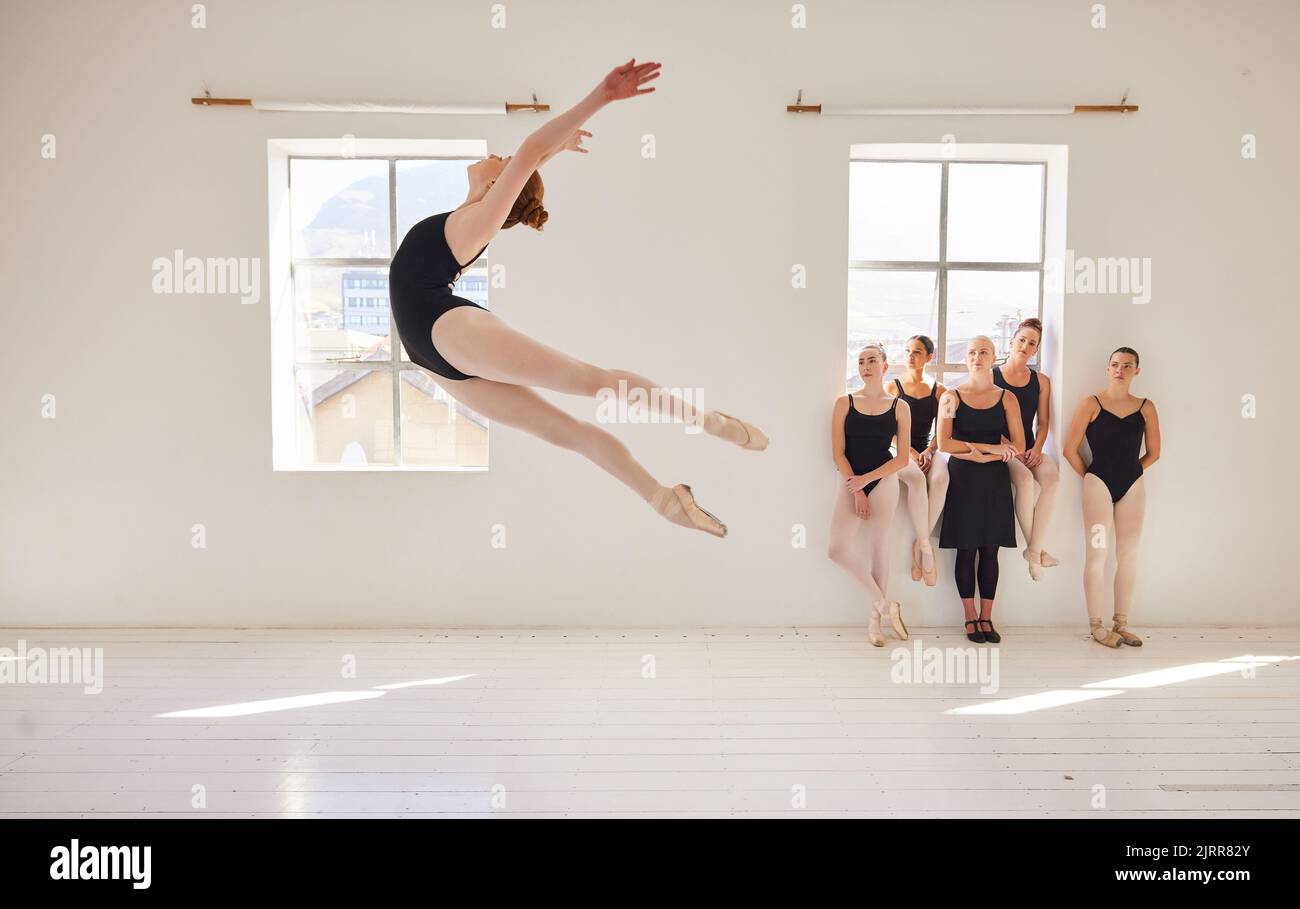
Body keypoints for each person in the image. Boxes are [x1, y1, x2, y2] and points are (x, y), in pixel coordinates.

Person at [387, 59, 768, 538]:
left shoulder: (477, 223)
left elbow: (528, 152)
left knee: (595, 383)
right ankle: (665, 500)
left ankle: (710, 422)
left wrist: (601, 97)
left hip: (446, 332)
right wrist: (555, 152)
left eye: (503, 165)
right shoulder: (471, 217)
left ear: (496, 187)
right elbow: (529, 160)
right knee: (569, 433)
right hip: (431, 356)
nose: (499, 157)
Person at [1062, 348, 1161, 648]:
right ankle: (1096, 626)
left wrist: (1130, 473)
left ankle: (1122, 623)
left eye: (1127, 365)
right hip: (1097, 484)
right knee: (1098, 554)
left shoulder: (1146, 407)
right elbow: (1070, 449)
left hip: (1133, 485)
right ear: (1107, 369)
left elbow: (1155, 453)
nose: (1120, 369)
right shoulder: (1092, 403)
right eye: (1115, 364)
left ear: (1136, 371)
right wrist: (1093, 478)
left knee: (1128, 555)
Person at [936, 336, 1025, 644]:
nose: (977, 356)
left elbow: (1019, 445)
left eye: (983, 352)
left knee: (991, 550)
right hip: (963, 476)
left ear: (994, 357)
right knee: (967, 548)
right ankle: (970, 617)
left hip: (994, 479)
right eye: (972, 352)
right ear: (966, 358)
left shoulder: (1008, 398)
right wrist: (989, 448)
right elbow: (944, 442)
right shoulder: (951, 396)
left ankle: (987, 617)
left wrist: (988, 453)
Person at [828, 345, 913, 647]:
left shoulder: (899, 407)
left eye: (872, 361)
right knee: (837, 550)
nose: (865, 366)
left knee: (879, 547)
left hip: (883, 480)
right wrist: (857, 488)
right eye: (861, 361)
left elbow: (902, 458)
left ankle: (875, 622)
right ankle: (885, 604)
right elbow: (838, 452)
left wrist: (868, 481)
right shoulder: (844, 402)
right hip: (850, 481)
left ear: (885, 366)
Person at [992, 318, 1062, 580]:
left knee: (1052, 479)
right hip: (1002, 448)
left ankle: (1033, 550)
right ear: (1011, 342)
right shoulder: (992, 376)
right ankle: (1037, 552)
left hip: (1030, 447)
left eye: (1032, 343)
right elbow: (983, 419)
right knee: (1024, 480)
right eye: (1021, 340)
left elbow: (1043, 423)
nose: (1025, 345)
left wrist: (1036, 448)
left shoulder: (1041, 381)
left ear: (1036, 350)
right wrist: (1011, 448)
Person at [885, 335, 948, 586]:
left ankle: (919, 544)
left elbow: (944, 431)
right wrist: (911, 452)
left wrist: (930, 451)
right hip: (900, 449)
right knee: (917, 478)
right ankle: (925, 547)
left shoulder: (940, 391)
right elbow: (887, 431)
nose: (911, 356)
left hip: (929, 448)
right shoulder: (892, 388)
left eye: (918, 352)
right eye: (908, 351)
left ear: (929, 358)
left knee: (942, 478)